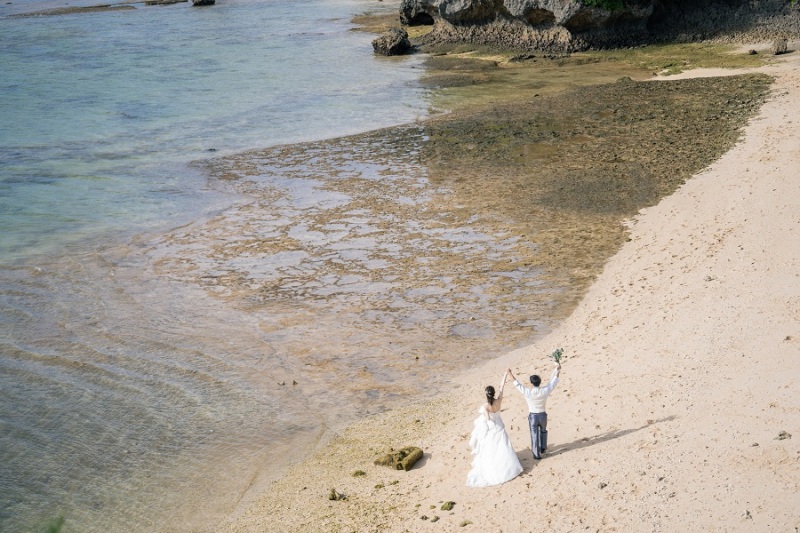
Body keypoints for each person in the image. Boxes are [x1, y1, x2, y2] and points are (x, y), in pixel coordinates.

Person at [466, 370, 523, 487]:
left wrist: (483, 414)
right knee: (504, 446)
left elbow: (488, 419)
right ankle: (509, 466)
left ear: (486, 395)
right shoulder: (499, 400)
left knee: (493, 448)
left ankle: (497, 467)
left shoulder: (486, 406)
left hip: (493, 428)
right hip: (500, 426)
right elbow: (502, 387)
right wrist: (505, 375)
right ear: (493, 393)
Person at [508, 361, 561, 460]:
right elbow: (554, 381)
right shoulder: (545, 391)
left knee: (534, 434)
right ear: (539, 382)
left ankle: (536, 454)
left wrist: (509, 373)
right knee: (543, 431)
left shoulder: (528, 392)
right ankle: (543, 448)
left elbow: (517, 384)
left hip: (533, 416)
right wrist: (558, 370)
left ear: (531, 383)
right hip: (543, 415)